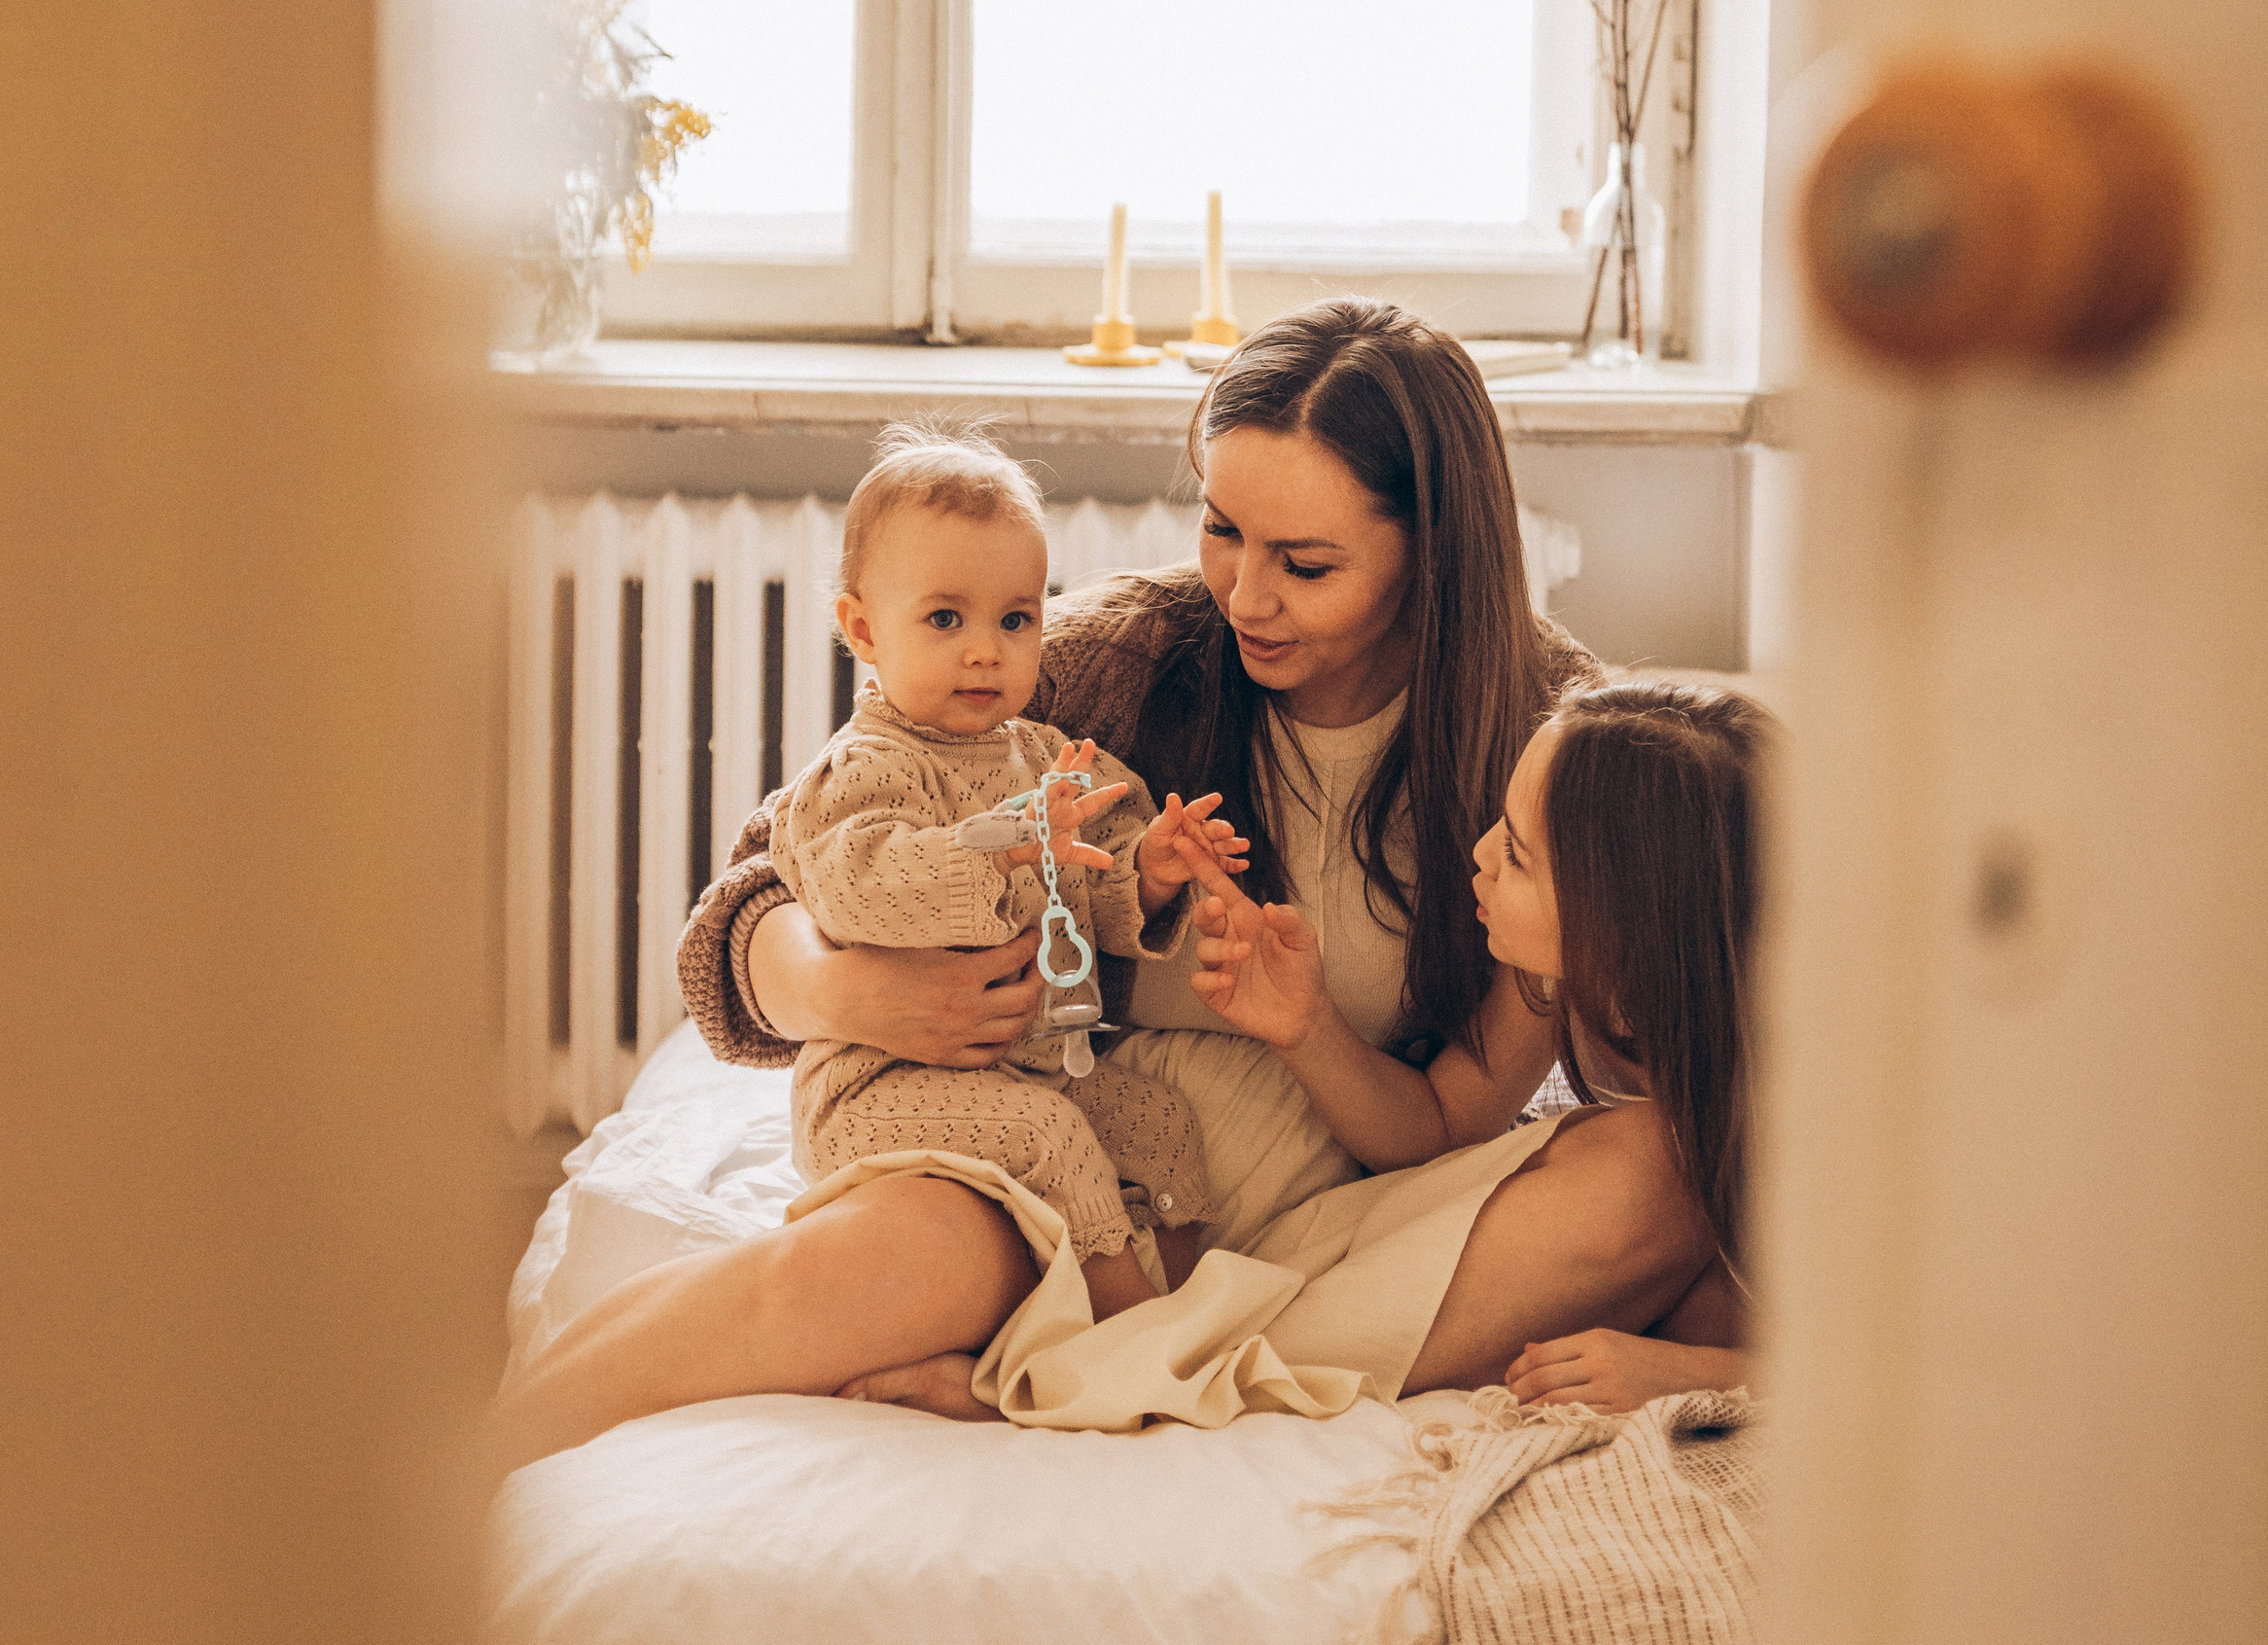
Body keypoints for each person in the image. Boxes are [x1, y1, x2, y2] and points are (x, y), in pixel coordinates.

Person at [490, 298, 1736, 1466]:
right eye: (1222, 529)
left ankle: (1053, 1368)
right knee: (893, 1253)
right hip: (1077, 1149)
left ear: (1431, 556)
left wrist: (1305, 1028)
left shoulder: (1546, 742)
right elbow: (764, 887)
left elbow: (1461, 1113)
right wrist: (846, 991)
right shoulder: (1119, 656)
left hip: (1349, 1199)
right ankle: (485, 1453)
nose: (1246, 595)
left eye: (1305, 564)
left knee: (1659, 1173)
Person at [766, 423, 1246, 1322]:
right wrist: (1003, 844)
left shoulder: (1045, 756)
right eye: (945, 619)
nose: (986, 649)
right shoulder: (864, 768)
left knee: (1162, 1123)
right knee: (1050, 1136)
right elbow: (864, 883)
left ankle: (1182, 1298)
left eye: (1016, 619)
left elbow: (1093, 892)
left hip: (1030, 1069)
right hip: (877, 1087)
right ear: (863, 629)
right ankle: (1128, 1328)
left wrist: (1151, 868)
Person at [1182, 677, 1766, 1412]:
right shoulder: (1559, 972)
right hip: (1517, 1221)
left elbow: (1900, 1335)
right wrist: (1308, 1026)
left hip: (1727, 1232)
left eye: (1517, 855)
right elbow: (1442, 1123)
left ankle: (1221, 1356)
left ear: (1622, 917)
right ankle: (1220, 1348)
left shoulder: (1810, 1060)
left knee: (1668, 1180)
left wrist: (1699, 1373)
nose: (1481, 854)